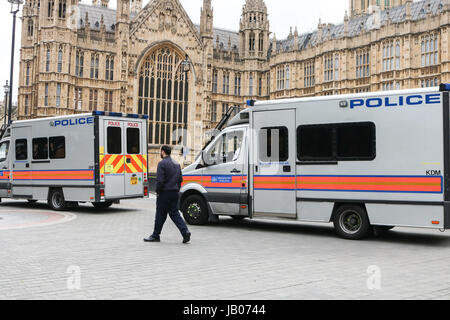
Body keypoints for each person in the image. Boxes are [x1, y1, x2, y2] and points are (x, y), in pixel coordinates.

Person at [144, 145, 191, 244]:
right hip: (174, 193)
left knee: (160, 214)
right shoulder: (177, 164)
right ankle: (185, 231)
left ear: (163, 152)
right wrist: (176, 189)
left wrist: (158, 191)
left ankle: (155, 235)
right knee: (175, 214)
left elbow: (160, 181)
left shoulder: (162, 163)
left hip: (164, 193)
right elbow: (180, 180)